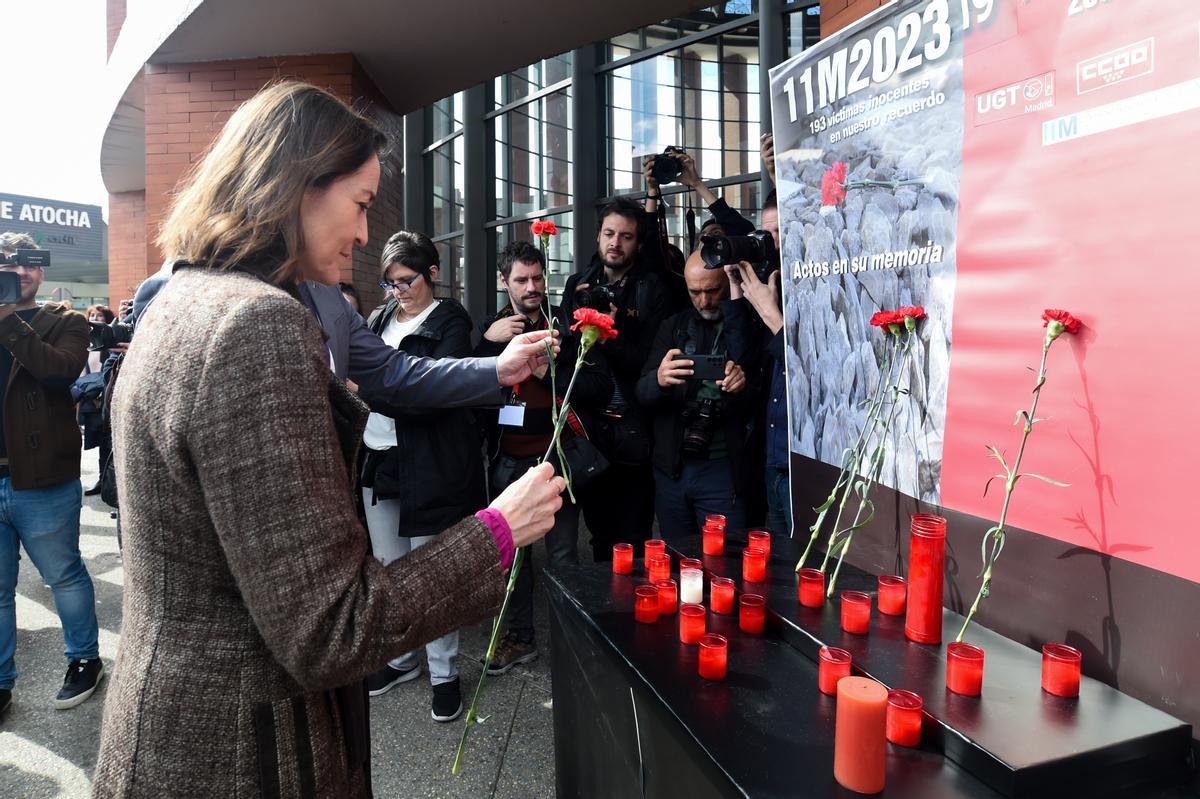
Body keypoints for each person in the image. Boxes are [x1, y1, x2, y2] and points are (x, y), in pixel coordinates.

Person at [92, 81, 565, 798]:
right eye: (363, 204)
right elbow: (333, 626)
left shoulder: (180, 296)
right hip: (243, 752)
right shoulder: (259, 326)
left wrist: (496, 368)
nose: (365, 236)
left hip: (175, 733)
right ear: (297, 183)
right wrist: (499, 530)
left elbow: (397, 375)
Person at [357, 230, 485, 722]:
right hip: (380, 454)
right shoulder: (379, 317)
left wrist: (369, 387)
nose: (398, 291)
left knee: (432, 571)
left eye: (406, 280)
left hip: (431, 462)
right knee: (389, 569)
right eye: (390, 283)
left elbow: (431, 391)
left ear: (432, 273)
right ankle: (401, 659)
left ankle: (444, 672)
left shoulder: (451, 320)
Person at [476, 241, 612, 674]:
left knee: (564, 557)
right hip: (508, 464)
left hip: (557, 462)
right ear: (504, 282)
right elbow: (467, 390)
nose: (532, 287)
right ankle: (520, 638)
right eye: (521, 279)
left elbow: (600, 389)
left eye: (537, 277)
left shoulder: (569, 328)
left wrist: (549, 372)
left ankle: (571, 643)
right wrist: (484, 342)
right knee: (511, 555)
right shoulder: (492, 330)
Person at [0, 233, 102, 718]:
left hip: (43, 479)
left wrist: (9, 324)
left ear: (41, 272)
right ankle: (0, 681)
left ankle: (84, 659)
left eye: (30, 265)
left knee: (63, 576)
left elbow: (60, 373)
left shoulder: (64, 320)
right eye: (9, 265)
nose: (21, 272)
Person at [560, 198, 673, 559]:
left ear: (638, 244)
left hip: (633, 430)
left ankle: (632, 609)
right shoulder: (578, 284)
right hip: (590, 430)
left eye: (626, 236)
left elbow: (648, 364)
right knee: (598, 536)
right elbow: (567, 349)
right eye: (609, 233)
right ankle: (603, 613)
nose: (615, 243)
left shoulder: (652, 289)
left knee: (634, 537)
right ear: (598, 237)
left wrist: (610, 330)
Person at [636, 249, 753, 540]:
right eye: (695, 292)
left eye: (712, 290)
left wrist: (741, 386)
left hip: (722, 468)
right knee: (675, 562)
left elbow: (760, 400)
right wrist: (659, 379)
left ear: (726, 282)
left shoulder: (744, 325)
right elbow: (642, 394)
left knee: (726, 561)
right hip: (672, 468)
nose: (704, 300)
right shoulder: (673, 327)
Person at [78, 304, 114, 496]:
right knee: (99, 442)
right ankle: (102, 480)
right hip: (89, 400)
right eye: (92, 314)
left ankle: (110, 483)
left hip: (106, 400)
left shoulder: (111, 341)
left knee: (109, 443)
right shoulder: (87, 342)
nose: (95, 318)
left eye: (99, 315)